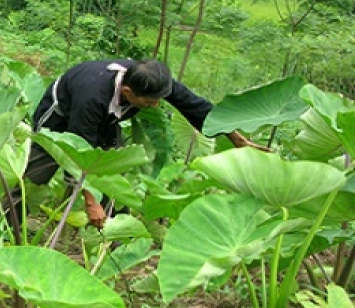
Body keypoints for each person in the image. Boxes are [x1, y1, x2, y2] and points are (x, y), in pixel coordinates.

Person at [16, 58, 268, 229]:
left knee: (111, 178)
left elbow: (194, 105)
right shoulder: (91, 96)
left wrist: (236, 138)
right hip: (60, 118)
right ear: (127, 93)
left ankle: (114, 237)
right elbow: (80, 150)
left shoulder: (152, 80)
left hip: (106, 120)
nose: (156, 106)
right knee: (36, 175)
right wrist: (90, 201)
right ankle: (7, 225)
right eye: (149, 103)